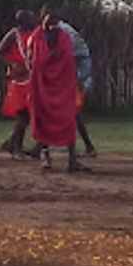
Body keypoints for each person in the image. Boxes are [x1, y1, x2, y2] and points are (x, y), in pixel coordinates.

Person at [28, 9, 89, 172]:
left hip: (62, 86)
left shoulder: (64, 37)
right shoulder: (36, 37)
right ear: (42, 19)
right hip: (42, 84)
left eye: (54, 22)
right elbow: (31, 60)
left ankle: (72, 160)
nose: (51, 25)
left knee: (68, 119)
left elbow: (68, 61)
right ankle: (45, 156)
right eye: (48, 21)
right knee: (42, 119)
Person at [0, 10, 38, 159]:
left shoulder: (33, 34)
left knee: (30, 114)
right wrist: (12, 65)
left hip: (31, 77)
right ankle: (16, 149)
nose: (34, 20)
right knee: (23, 114)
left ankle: (12, 143)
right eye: (30, 18)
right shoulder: (14, 35)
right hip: (19, 80)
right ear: (23, 21)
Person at [57, 16, 98, 157]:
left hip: (76, 76)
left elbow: (68, 55)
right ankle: (87, 147)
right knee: (71, 113)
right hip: (78, 75)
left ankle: (42, 147)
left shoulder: (62, 31)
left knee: (69, 112)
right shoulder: (65, 30)